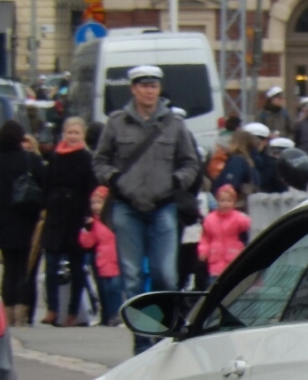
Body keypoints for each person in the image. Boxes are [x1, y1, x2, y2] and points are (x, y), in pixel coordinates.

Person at [92, 64, 201, 352]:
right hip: (127, 207)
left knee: (165, 273)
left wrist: (177, 182)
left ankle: (164, 333)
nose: (149, 91)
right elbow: (100, 160)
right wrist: (113, 179)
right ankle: (141, 339)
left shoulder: (174, 124)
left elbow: (191, 162)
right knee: (132, 276)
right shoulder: (116, 123)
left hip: (163, 206)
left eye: (153, 86)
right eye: (143, 86)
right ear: (133, 89)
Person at [0, 119, 47, 326]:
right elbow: (44, 185)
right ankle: (23, 313)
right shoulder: (29, 159)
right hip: (27, 221)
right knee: (26, 269)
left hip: (3, 221)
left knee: (9, 269)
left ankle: (8, 311)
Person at [39, 117, 97, 326]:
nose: (72, 137)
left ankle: (73, 311)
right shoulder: (55, 156)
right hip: (55, 214)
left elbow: (92, 187)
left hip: (76, 215)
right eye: (69, 132)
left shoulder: (86, 158)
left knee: (76, 265)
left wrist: (89, 214)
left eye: (76, 133)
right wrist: (45, 206)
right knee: (51, 264)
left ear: (82, 136)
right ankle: (52, 308)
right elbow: (46, 183)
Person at [78, 188, 123, 326]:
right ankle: (108, 315)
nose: (95, 206)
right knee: (105, 290)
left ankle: (117, 315)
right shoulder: (94, 223)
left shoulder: (116, 219)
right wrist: (86, 229)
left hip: (116, 260)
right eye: (93, 203)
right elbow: (88, 243)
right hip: (102, 261)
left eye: (99, 202)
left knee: (116, 289)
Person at [197, 184, 250, 282]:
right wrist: (203, 251)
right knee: (213, 284)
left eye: (229, 201)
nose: (225, 204)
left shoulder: (237, 217)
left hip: (232, 258)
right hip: (215, 261)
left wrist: (244, 216)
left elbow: (247, 224)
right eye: (222, 201)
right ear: (217, 201)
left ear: (234, 202)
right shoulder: (210, 219)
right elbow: (205, 238)